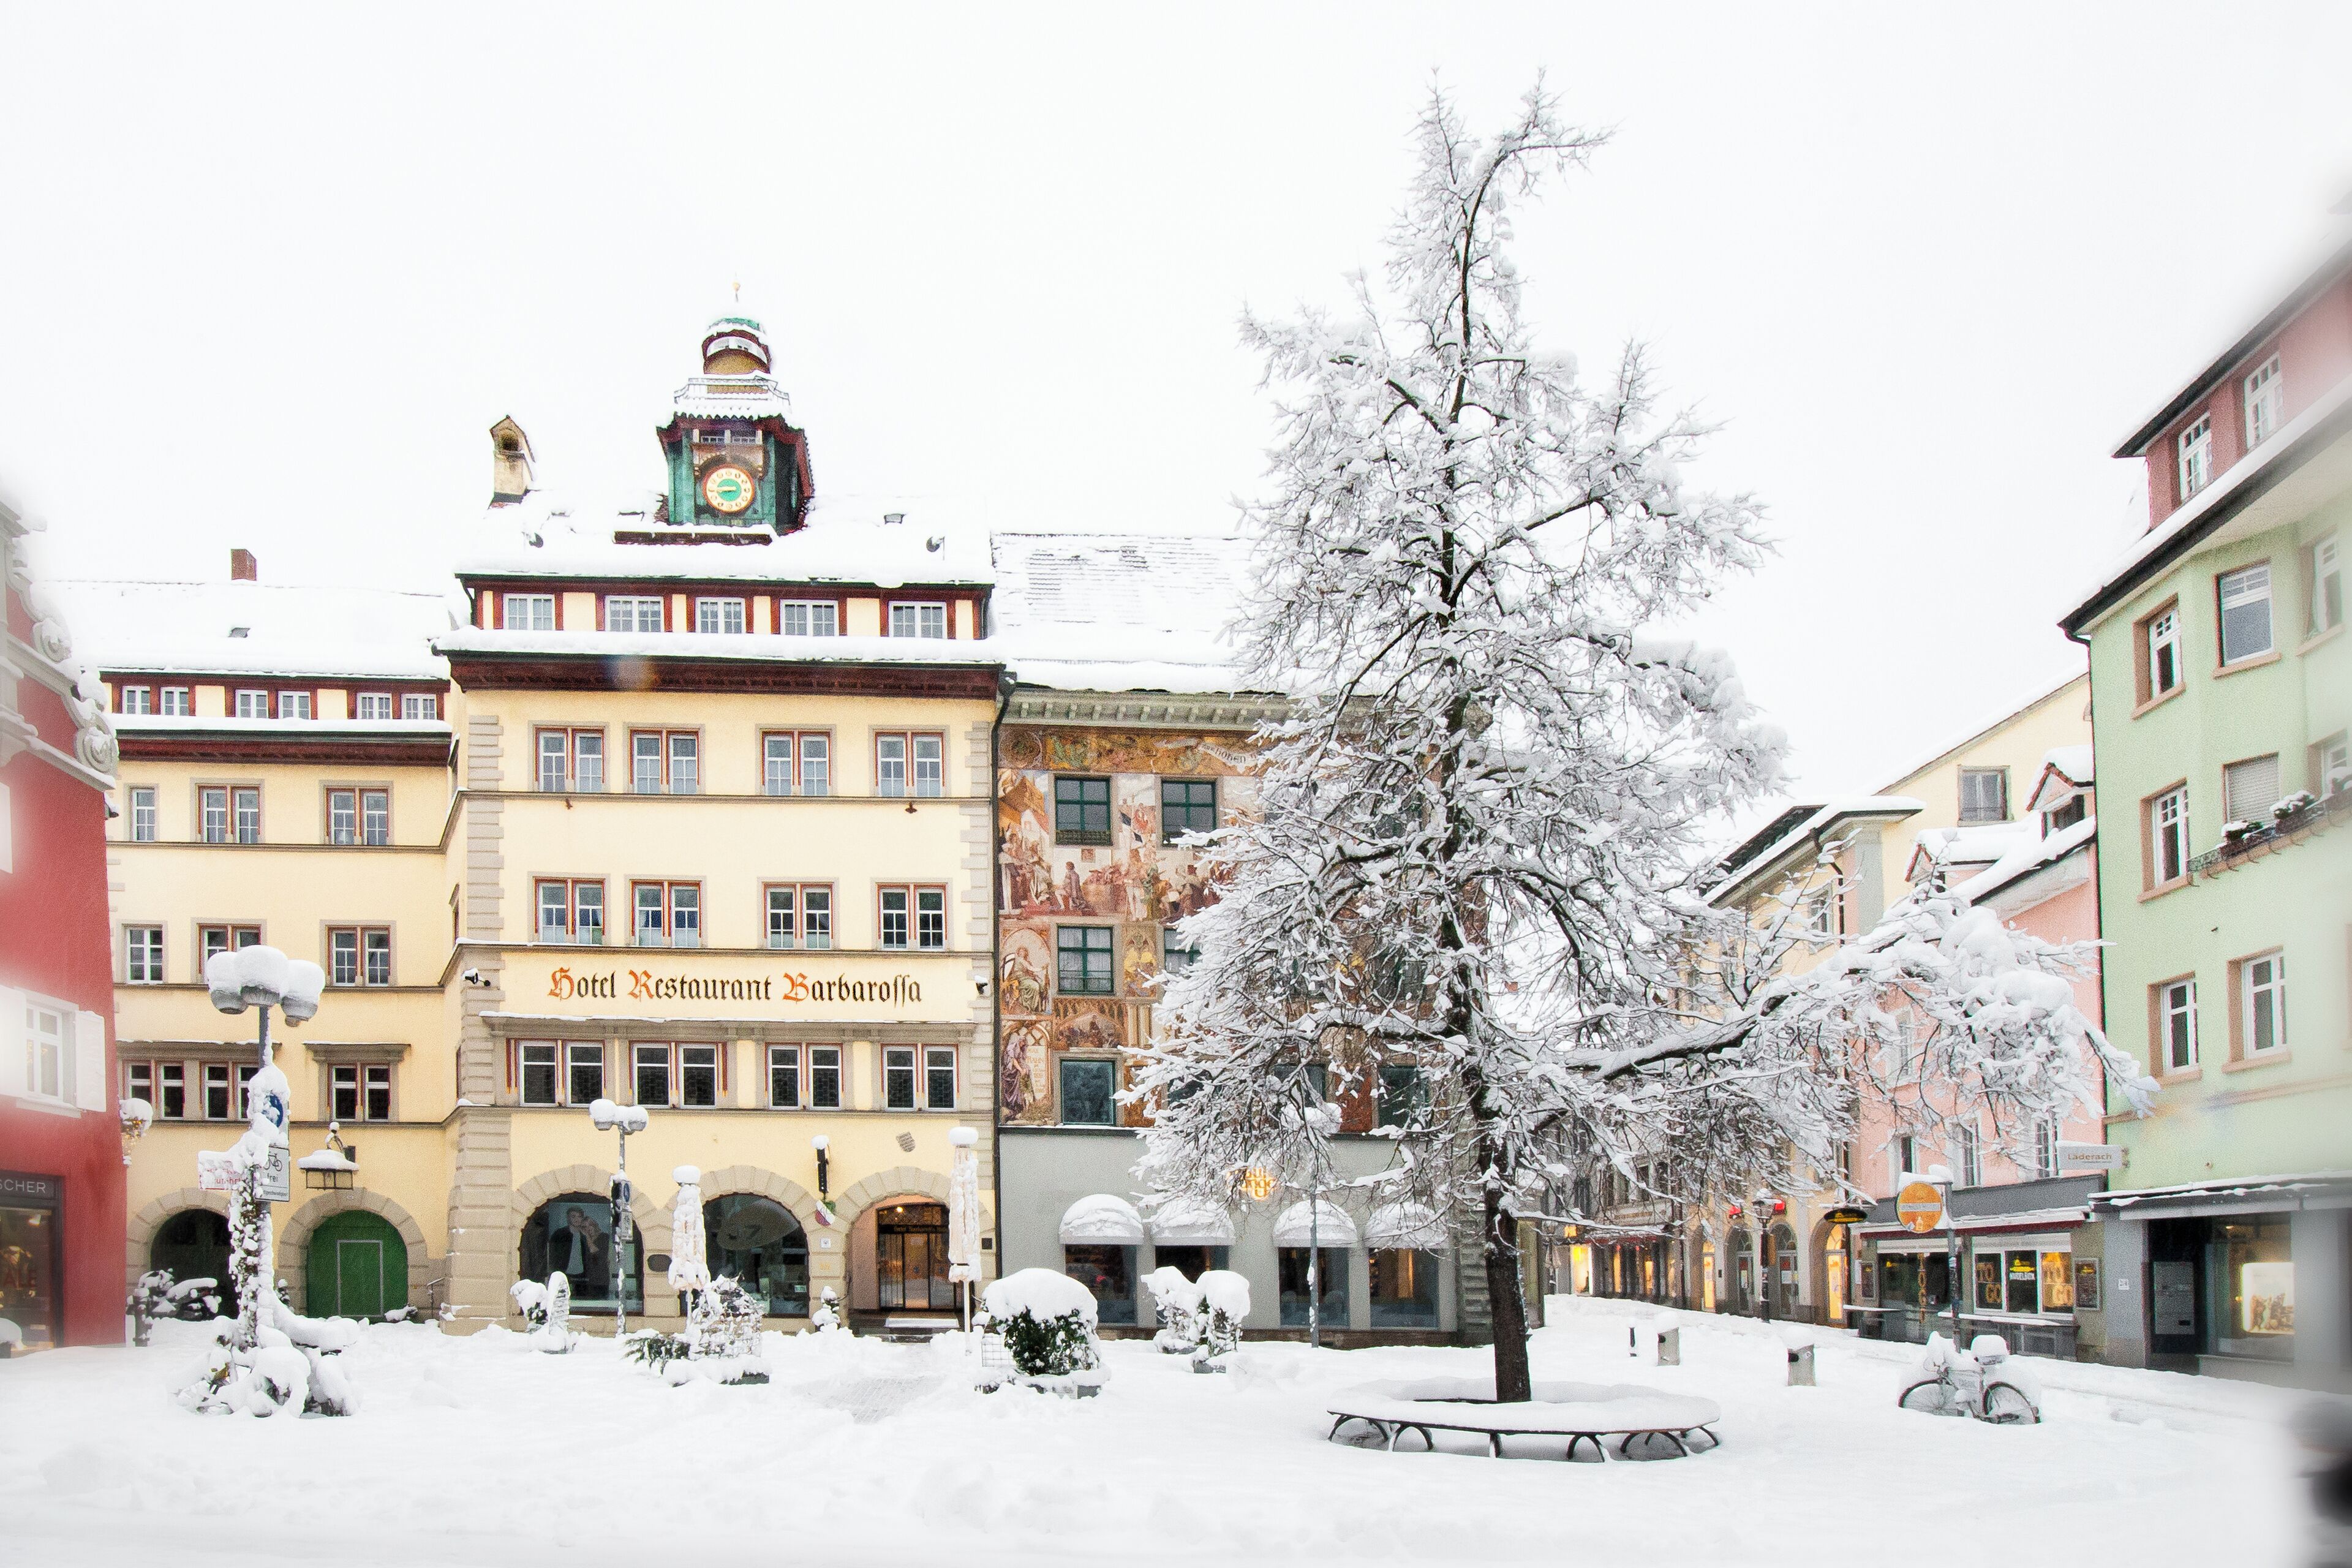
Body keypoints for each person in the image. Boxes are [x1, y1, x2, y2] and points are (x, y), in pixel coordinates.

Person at [548, 1205, 609, 1298]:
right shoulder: (560, 1234)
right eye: (573, 1216)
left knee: (581, 1300)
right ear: (568, 1218)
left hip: (583, 1276)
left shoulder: (585, 1235)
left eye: (579, 1216)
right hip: (563, 1273)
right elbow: (552, 1254)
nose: (577, 1219)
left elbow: (595, 1254)